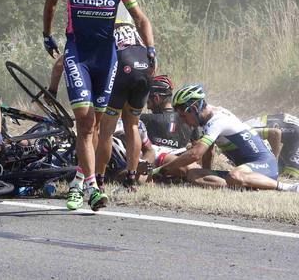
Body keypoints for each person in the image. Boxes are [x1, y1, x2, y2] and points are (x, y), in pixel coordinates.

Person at [42, 0, 155, 211]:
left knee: (96, 127)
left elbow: (140, 18)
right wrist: (47, 35)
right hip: (78, 56)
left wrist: (151, 47)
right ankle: (93, 187)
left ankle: (79, 181)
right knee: (84, 120)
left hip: (107, 60)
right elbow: (50, 3)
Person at [153, 84, 299, 192]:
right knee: (193, 174)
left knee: (235, 176)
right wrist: (205, 174)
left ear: (194, 108)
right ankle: (247, 186)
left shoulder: (217, 121)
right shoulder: (207, 120)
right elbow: (208, 152)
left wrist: (162, 169)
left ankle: (287, 187)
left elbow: (195, 154)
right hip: (247, 169)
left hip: (265, 165)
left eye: (183, 116)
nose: (183, 121)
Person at [95, 21, 153, 192]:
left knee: (106, 130)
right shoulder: (137, 33)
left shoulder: (105, 29)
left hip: (123, 66)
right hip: (145, 68)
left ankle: (99, 180)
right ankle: (131, 179)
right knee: (132, 125)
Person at [245, 113, 299, 178]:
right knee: (287, 171)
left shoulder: (294, 123)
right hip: (248, 137)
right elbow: (291, 174)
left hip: (242, 131)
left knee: (282, 166)